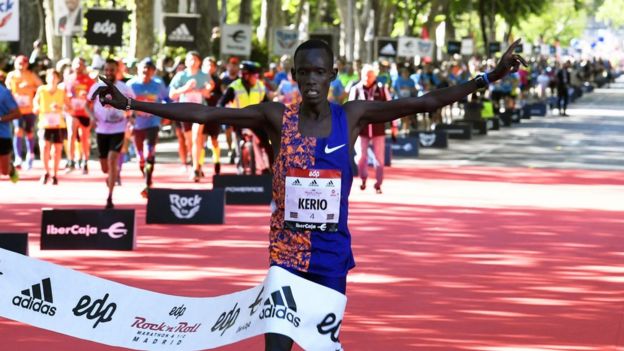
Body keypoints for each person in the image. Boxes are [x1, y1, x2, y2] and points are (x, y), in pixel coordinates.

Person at [92, 38, 526, 350]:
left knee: (321, 347)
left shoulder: (352, 115)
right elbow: (206, 112)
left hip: (332, 256)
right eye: (305, 72)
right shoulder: (275, 117)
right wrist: (131, 105)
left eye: (321, 72)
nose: (313, 80)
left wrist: (491, 75)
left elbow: (428, 102)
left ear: (333, 75)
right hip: (286, 255)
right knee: (277, 347)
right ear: (294, 75)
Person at [87, 59, 134, 209]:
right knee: (105, 167)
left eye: (112, 70)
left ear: (117, 71)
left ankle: (110, 197)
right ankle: (111, 176)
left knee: (112, 159)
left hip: (118, 129)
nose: (109, 73)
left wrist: (130, 117)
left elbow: (132, 104)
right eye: (106, 70)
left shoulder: (124, 88)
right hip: (102, 130)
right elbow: (87, 104)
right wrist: (92, 117)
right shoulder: (97, 87)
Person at [217, 61, 271, 175]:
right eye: (254, 75)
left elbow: (268, 104)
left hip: (256, 121)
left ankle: (271, 168)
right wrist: (223, 114)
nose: (256, 78)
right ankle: (240, 166)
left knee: (267, 143)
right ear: (246, 75)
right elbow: (221, 103)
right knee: (238, 143)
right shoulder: (234, 87)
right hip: (238, 120)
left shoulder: (260, 86)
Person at [127, 58, 170, 197]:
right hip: (137, 124)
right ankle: (144, 172)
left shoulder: (158, 84)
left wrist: (168, 113)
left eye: (149, 69)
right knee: (140, 157)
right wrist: (128, 118)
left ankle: (147, 183)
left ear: (153, 71)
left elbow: (167, 99)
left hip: (153, 122)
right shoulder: (131, 85)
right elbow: (124, 104)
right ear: (138, 69)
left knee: (149, 152)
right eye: (143, 68)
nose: (145, 71)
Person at [168, 51, 212, 182]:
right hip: (185, 112)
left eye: (195, 60)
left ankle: (195, 169)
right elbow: (172, 95)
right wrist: (185, 88)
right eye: (190, 60)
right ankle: (196, 163)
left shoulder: (204, 75)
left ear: (199, 62)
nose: (193, 62)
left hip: (200, 111)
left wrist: (206, 90)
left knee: (196, 137)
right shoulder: (180, 76)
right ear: (186, 62)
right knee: (189, 142)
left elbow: (210, 88)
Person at [348, 64, 392, 194]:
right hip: (361, 130)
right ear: (361, 75)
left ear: (375, 76)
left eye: (370, 75)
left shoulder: (382, 89)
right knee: (361, 157)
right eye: (366, 75)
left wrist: (394, 126)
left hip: (378, 129)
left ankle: (378, 184)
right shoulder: (356, 89)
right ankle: (363, 178)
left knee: (379, 158)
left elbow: (391, 107)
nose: (367, 77)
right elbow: (349, 109)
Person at [5, 55, 42, 170]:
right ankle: (18, 157)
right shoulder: (11, 76)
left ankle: (30, 155)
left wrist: (30, 88)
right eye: (19, 63)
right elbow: (7, 90)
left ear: (27, 64)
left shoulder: (31, 75)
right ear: (15, 63)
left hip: (29, 109)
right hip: (17, 109)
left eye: (23, 63)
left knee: (29, 131)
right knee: (18, 131)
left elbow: (41, 87)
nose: (21, 65)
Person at [33, 69, 67, 185]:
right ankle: (46, 171)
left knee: (57, 151)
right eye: (50, 77)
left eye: (54, 77)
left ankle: (55, 174)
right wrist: (36, 107)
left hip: (58, 125)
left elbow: (69, 107)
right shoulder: (41, 90)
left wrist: (60, 108)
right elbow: (35, 102)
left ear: (58, 79)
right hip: (44, 123)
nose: (52, 80)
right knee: (44, 148)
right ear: (46, 78)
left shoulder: (62, 91)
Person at [64, 57, 95, 174]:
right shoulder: (68, 79)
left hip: (85, 112)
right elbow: (64, 96)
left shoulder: (89, 81)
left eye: (81, 64)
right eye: (76, 63)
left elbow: (94, 97)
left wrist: (87, 97)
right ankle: (70, 161)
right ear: (72, 65)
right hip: (72, 113)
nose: (78, 66)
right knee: (71, 135)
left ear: (84, 66)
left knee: (84, 138)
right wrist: (67, 106)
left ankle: (85, 161)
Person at [0, 81, 21, 183]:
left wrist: (1, 118)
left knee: (4, 171)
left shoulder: (4, 93)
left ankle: (10, 167)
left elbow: (17, 113)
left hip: (2, 135)